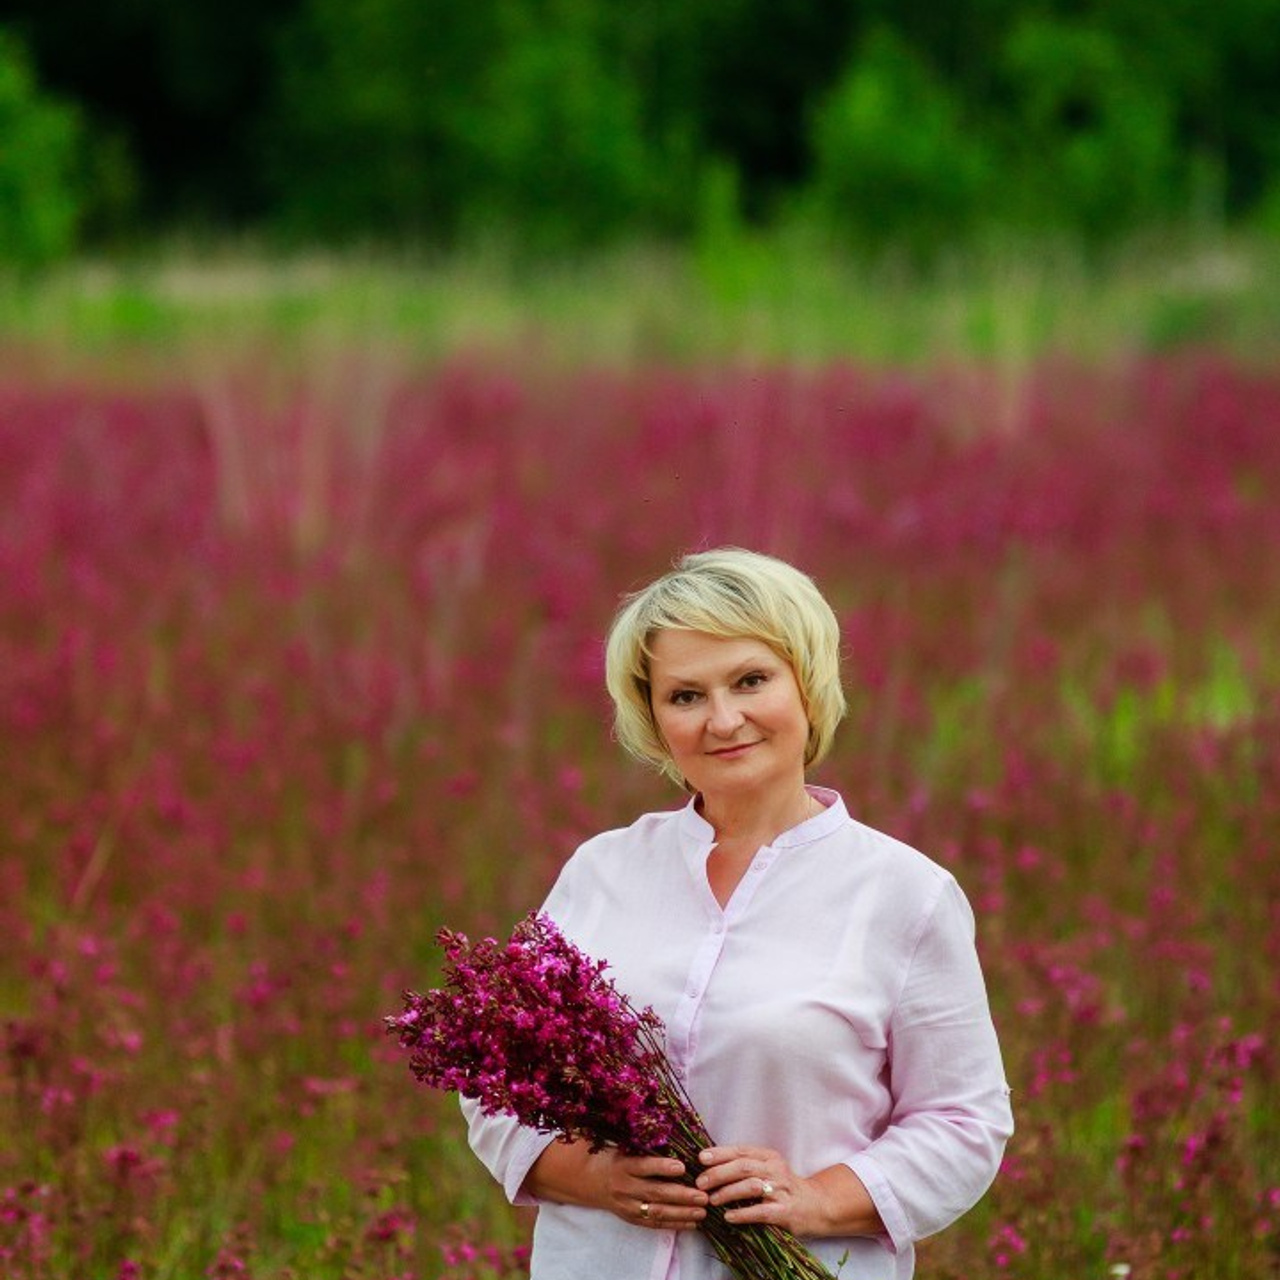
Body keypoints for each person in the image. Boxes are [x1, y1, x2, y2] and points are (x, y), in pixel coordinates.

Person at [463, 548, 1013, 1280]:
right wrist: (595, 1179)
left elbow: (964, 1124)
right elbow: (498, 1085)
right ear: (654, 719)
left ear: (808, 687)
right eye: (685, 696)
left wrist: (817, 1198)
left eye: (751, 680)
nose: (723, 719)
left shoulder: (906, 894)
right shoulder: (601, 872)